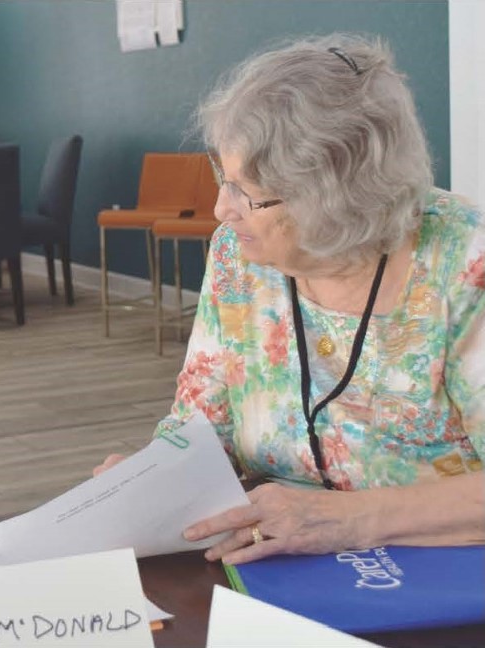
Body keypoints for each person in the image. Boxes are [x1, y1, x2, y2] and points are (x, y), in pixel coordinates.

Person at [96, 34, 484, 563]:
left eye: (245, 191)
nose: (219, 210)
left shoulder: (465, 264)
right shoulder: (239, 255)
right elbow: (202, 425)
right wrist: (154, 480)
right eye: (222, 178)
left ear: (339, 193)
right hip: (280, 563)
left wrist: (345, 521)